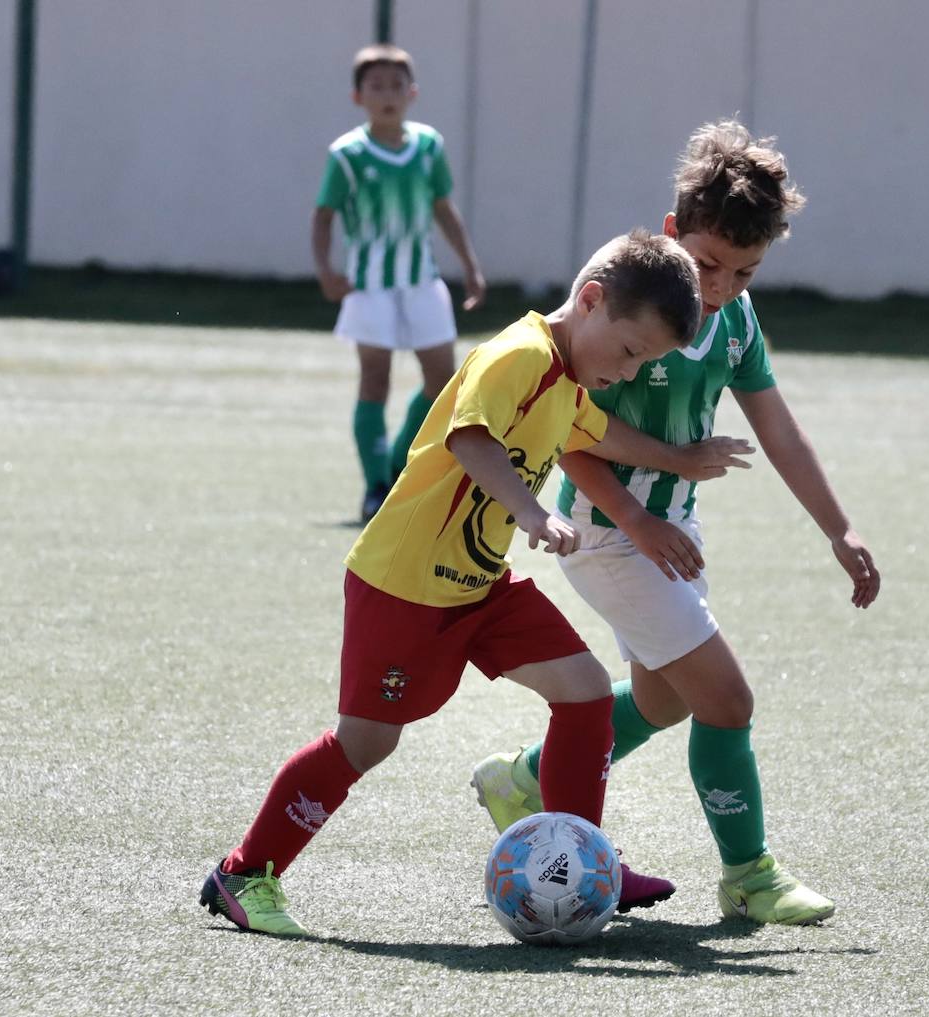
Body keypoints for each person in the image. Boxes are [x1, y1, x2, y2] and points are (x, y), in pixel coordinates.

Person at [200, 230, 756, 936]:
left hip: (479, 584)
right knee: (365, 744)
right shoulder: (517, 355)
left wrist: (679, 458)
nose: (627, 371)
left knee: (584, 693)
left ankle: (582, 867)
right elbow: (470, 438)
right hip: (404, 585)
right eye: (628, 351)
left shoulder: (570, 378)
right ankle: (245, 871)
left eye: (643, 361)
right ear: (589, 301)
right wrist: (529, 511)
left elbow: (598, 435)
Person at [471, 121, 881, 926]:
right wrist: (635, 510)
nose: (721, 285)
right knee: (727, 699)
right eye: (708, 264)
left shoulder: (737, 318)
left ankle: (522, 778)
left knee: (664, 700)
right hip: (607, 531)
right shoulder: (633, 304)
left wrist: (839, 527)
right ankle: (749, 874)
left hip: (667, 533)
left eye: (744, 270)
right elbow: (567, 426)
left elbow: (779, 428)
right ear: (669, 235)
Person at [312, 43, 487, 523]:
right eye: (376, 86)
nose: (387, 95)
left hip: (422, 283)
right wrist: (327, 271)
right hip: (369, 288)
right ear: (357, 96)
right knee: (375, 379)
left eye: (395, 85)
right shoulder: (347, 154)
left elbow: (443, 208)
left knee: (441, 380)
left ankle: (396, 467)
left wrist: (470, 264)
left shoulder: (428, 145)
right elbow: (324, 217)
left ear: (412, 92)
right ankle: (374, 487)